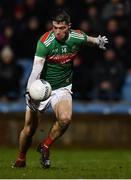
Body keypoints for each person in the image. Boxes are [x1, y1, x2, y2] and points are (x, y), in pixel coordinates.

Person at [14, 9, 108, 168]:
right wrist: (30, 90)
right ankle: (21, 158)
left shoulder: (75, 36)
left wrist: (98, 41)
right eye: (55, 27)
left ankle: (45, 146)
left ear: (69, 27)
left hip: (62, 86)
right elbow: (36, 69)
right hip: (41, 87)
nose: (58, 31)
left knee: (65, 119)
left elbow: (87, 39)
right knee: (29, 130)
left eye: (62, 28)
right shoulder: (45, 42)